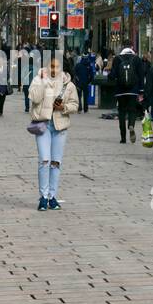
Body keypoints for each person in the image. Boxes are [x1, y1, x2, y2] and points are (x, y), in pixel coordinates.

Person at [28, 55, 79, 211]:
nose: (54, 69)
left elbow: (75, 105)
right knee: (44, 160)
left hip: (60, 126)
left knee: (56, 162)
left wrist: (63, 107)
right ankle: (43, 197)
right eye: (51, 66)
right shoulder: (38, 79)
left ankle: (52, 197)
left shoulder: (68, 84)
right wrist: (44, 82)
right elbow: (34, 99)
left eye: (57, 66)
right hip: (43, 125)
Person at [111, 44, 146, 144]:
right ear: (132, 49)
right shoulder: (136, 59)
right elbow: (141, 75)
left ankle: (123, 137)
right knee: (132, 110)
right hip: (133, 91)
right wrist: (141, 90)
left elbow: (113, 75)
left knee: (121, 112)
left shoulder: (117, 59)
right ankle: (131, 125)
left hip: (120, 91)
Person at [73, 50, 94, 114]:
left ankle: (79, 109)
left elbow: (74, 73)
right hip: (86, 83)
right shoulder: (89, 66)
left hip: (79, 83)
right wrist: (89, 81)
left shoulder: (78, 65)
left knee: (79, 96)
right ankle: (86, 109)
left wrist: (77, 80)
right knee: (86, 96)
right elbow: (91, 75)